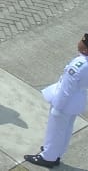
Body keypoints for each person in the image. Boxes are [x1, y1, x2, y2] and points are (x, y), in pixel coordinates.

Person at [25, 34, 88, 168]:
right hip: (77, 101)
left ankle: (48, 157)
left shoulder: (79, 65)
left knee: (55, 130)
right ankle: (56, 153)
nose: (79, 42)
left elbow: (66, 90)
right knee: (65, 130)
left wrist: (58, 108)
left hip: (65, 103)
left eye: (82, 41)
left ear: (85, 49)